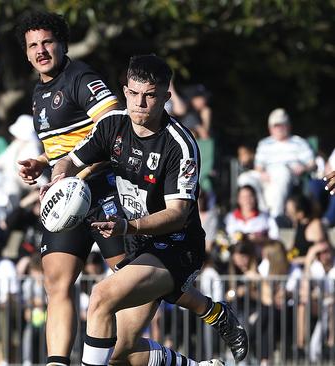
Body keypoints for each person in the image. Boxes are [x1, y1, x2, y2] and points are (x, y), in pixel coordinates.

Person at [46, 55, 247, 365]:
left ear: (166, 97)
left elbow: (177, 214)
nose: (140, 103)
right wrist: (58, 179)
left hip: (177, 247)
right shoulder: (112, 124)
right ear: (125, 92)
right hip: (138, 244)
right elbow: (71, 160)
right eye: (134, 94)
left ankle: (211, 311)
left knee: (100, 298)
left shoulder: (179, 145)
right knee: (118, 353)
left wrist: (129, 226)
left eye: (150, 95)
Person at [14, 12, 124, 365]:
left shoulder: (81, 77)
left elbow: (113, 124)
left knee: (132, 277)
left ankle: (207, 312)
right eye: (33, 46)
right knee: (56, 284)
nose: (40, 50)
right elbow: (60, 145)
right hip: (66, 200)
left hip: (105, 190)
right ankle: (58, 362)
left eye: (46, 42)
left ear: (62, 44)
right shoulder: (38, 92)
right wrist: (43, 162)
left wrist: (79, 169)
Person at [254, 108, 315, 219]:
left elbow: (312, 163)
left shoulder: (299, 142)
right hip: (266, 176)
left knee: (281, 174)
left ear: (288, 125)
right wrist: (261, 173)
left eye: (283, 124)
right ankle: (259, 215)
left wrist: (304, 168)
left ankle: (275, 216)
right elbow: (258, 166)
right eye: (276, 125)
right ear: (270, 128)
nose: (280, 128)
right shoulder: (264, 144)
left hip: (289, 176)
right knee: (245, 179)